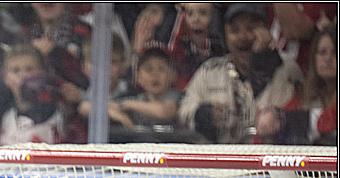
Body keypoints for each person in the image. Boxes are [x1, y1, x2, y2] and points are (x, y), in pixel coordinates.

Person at [178, 3, 303, 144]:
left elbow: (294, 119)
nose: (243, 37)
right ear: (225, 35)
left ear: (266, 31)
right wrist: (203, 114)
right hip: (220, 158)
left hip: (267, 159)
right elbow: (183, 109)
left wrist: (262, 59)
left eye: (250, 28)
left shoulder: (286, 69)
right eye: (235, 30)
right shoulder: (209, 71)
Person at [256, 27, 338, 145]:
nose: (328, 58)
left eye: (335, 52)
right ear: (314, 58)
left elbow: (329, 120)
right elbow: (282, 113)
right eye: (322, 52)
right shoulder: (306, 96)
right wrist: (272, 115)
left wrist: (287, 120)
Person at [0, 43, 65, 145]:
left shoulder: (55, 112)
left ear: (42, 74)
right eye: (16, 71)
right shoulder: (4, 115)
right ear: (6, 78)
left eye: (29, 69)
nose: (23, 76)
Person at [117, 47, 182, 138]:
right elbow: (106, 106)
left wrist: (127, 105)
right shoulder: (138, 99)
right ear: (138, 77)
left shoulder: (179, 97)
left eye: (161, 69)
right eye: (148, 69)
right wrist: (119, 115)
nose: (155, 74)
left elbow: (164, 111)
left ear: (173, 75)